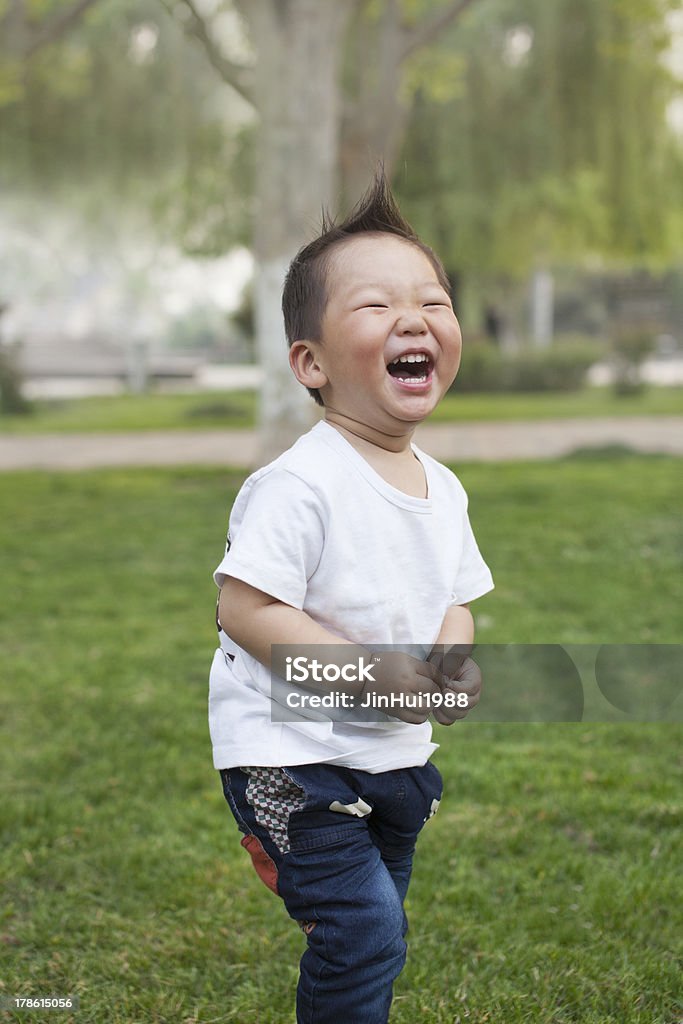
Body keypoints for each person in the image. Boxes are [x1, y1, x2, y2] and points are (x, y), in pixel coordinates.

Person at [209, 172, 494, 1024]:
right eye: (375, 307)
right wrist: (369, 676)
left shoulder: (442, 488)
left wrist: (447, 664)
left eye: (432, 302)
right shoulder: (299, 485)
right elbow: (246, 609)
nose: (413, 319)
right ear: (312, 364)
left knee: (381, 918)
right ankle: (296, 858)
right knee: (364, 927)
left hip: (390, 754)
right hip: (288, 752)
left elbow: (457, 597)